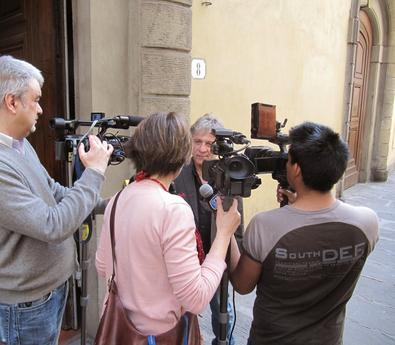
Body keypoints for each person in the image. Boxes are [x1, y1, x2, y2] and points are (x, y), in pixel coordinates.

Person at [0, 55, 113, 345]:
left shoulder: (18, 144)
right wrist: (94, 173)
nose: (41, 109)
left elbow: (52, 191)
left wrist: (110, 204)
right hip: (27, 306)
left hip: (48, 292)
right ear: (12, 102)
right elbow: (52, 225)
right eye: (36, 100)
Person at [229, 121, 379, 345]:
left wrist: (227, 232)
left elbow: (242, 285)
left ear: (296, 169)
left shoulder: (265, 226)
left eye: (288, 159)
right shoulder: (367, 223)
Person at [95, 112, 241, 337]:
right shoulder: (173, 208)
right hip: (159, 335)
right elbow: (196, 299)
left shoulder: (118, 199)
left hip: (121, 331)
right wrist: (223, 234)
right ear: (182, 154)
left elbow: (103, 266)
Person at [173, 113, 243, 345]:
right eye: (197, 142)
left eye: (209, 144)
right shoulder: (178, 172)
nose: (203, 149)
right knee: (183, 318)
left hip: (216, 259)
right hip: (186, 259)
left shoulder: (229, 175)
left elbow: (237, 221)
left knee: (224, 315)